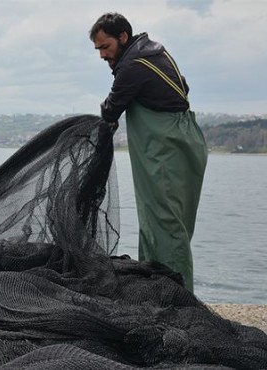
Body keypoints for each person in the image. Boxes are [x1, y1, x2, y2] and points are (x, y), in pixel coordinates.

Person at [89, 13, 208, 293]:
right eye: (98, 50)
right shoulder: (155, 52)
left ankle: (176, 297)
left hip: (165, 147)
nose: (102, 55)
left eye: (105, 47)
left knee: (164, 223)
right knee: (164, 222)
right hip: (184, 141)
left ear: (123, 37)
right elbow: (184, 87)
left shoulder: (133, 66)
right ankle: (159, 288)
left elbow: (111, 108)